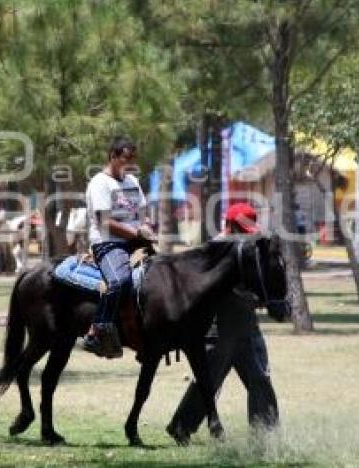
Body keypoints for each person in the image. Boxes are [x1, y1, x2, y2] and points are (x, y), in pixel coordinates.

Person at [166, 202, 279, 442]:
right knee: (209, 381)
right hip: (218, 328)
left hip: (247, 325)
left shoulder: (249, 247)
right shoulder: (213, 250)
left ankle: (266, 434)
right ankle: (181, 426)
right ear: (228, 225)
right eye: (240, 228)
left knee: (260, 378)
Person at [82, 137, 155, 359]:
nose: (130, 163)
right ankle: (97, 330)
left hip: (135, 242)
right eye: (126, 158)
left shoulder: (132, 181)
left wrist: (146, 227)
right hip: (107, 243)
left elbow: (143, 214)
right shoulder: (99, 183)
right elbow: (104, 221)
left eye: (133, 159)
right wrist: (137, 233)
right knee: (119, 281)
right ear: (113, 156)